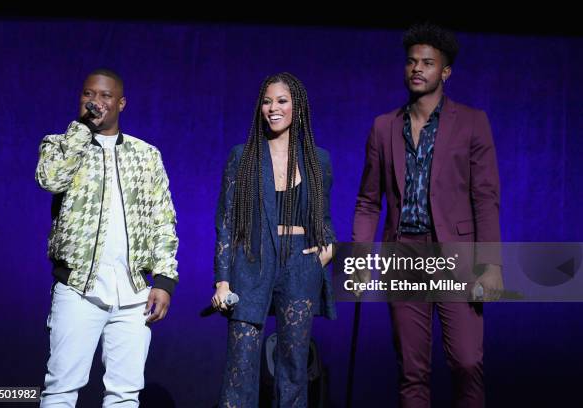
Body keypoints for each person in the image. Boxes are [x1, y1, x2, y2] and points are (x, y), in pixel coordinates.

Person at [352, 23, 503, 407]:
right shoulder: (384, 127)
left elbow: (485, 197)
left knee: (467, 363)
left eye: (428, 63)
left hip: (456, 256)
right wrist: (358, 260)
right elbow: (369, 201)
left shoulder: (472, 122)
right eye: (411, 62)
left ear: (445, 72)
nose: (417, 69)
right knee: (412, 372)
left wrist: (490, 263)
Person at [35, 69, 179, 407]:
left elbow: (163, 219)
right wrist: (80, 130)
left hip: (133, 293)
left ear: (121, 102)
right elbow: (52, 179)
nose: (95, 102)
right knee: (61, 389)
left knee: (125, 394)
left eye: (104, 96)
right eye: (88, 94)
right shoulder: (60, 144)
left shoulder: (146, 155)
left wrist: (163, 280)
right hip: (78, 290)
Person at [212, 72, 336, 407]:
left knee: (295, 367)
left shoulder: (318, 161)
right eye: (267, 101)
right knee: (241, 365)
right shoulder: (244, 156)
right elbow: (225, 222)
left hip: (300, 263)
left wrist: (327, 250)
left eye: (282, 101)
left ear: (297, 107)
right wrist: (222, 280)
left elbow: (324, 221)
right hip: (252, 261)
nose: (273, 108)